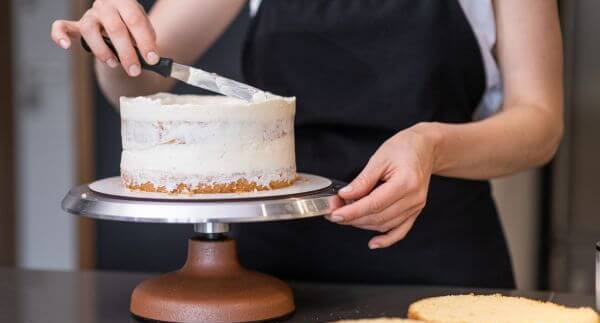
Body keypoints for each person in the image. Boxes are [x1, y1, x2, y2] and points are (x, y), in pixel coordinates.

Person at [51, 0, 563, 288]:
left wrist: (431, 145)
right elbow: (137, 85)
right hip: (269, 276)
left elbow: (540, 124)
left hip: (440, 267)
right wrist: (114, 47)